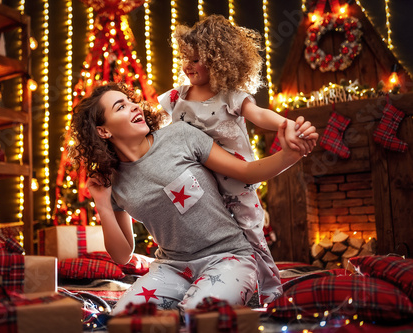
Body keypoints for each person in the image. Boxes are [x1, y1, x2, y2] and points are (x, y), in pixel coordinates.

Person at [70, 82, 314, 315]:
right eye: (120, 107)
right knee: (124, 318)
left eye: (130, 101)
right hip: (172, 267)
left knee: (197, 315)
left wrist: (290, 155)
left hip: (229, 256)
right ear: (103, 131)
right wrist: (102, 204)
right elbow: (123, 255)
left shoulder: (181, 136)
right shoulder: (113, 182)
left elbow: (246, 172)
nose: (134, 106)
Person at [158, 14, 318, 303]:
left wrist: (287, 124)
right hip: (199, 185)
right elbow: (152, 123)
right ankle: (209, 284)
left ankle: (268, 295)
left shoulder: (229, 97)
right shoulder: (175, 98)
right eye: (186, 58)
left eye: (196, 60)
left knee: (250, 235)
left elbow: (260, 115)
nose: (188, 66)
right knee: (210, 237)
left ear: (219, 60)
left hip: (236, 183)